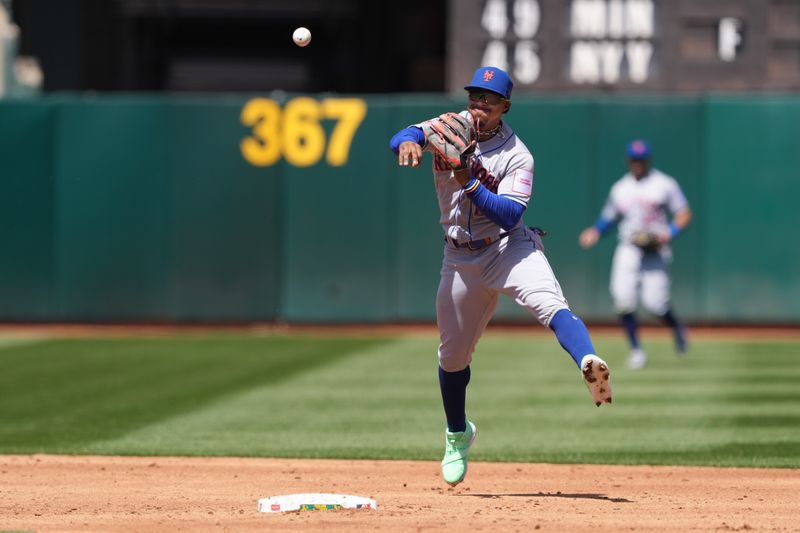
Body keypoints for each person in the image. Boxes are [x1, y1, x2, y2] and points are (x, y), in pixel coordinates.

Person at [388, 66, 612, 487]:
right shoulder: (448, 127)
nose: (479, 104)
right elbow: (404, 135)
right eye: (475, 95)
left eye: (488, 100)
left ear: (504, 107)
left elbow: (510, 214)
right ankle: (458, 434)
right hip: (459, 259)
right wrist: (409, 144)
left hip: (509, 248)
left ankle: (586, 359)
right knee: (452, 358)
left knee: (550, 303)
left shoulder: (517, 154)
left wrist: (467, 182)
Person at [578, 140, 692, 370]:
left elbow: (684, 213)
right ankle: (636, 350)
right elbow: (610, 217)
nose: (637, 163)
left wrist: (669, 233)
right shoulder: (621, 188)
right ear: (628, 161)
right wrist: (596, 231)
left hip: (656, 249)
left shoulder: (664, 184)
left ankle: (676, 326)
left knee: (655, 305)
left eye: (641, 159)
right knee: (623, 300)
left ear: (648, 160)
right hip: (629, 247)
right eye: (634, 159)